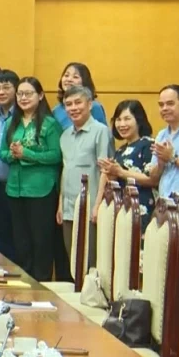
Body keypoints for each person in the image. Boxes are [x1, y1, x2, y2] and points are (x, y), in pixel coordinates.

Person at [0, 77, 62, 281]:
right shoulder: (11, 122)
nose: (23, 98)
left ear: (40, 95)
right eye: (20, 94)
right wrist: (12, 154)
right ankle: (25, 283)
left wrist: (27, 154)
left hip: (40, 189)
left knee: (41, 241)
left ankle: (42, 283)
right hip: (15, 189)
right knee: (21, 241)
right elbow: (2, 153)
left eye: (28, 93)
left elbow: (56, 155)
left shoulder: (50, 124)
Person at [59, 85, 112, 274]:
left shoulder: (101, 131)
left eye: (78, 102)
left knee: (89, 263)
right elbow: (65, 170)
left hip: (90, 208)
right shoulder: (65, 135)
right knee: (72, 261)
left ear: (90, 104)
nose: (73, 108)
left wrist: (97, 206)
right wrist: (60, 204)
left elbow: (106, 171)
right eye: (68, 104)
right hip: (68, 208)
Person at [100, 99, 156, 228]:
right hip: (122, 209)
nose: (122, 124)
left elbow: (151, 180)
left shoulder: (148, 144)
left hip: (141, 209)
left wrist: (120, 172)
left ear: (139, 120)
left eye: (127, 119)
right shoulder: (120, 150)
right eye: (118, 119)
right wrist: (110, 173)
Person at [150, 84, 179, 233]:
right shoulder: (161, 135)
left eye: (170, 103)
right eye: (161, 105)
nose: (164, 108)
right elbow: (153, 177)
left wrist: (173, 158)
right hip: (164, 205)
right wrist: (161, 164)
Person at [0, 69, 20, 260]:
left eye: (6, 87)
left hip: (17, 185)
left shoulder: (22, 117)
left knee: (18, 238)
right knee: (0, 238)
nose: (1, 92)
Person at [52, 62, 107, 130]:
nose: (69, 79)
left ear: (84, 81)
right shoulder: (56, 110)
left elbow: (103, 132)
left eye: (75, 77)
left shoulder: (94, 106)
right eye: (66, 75)